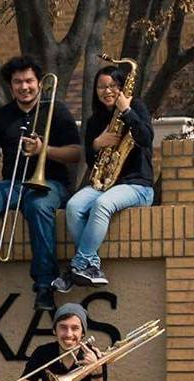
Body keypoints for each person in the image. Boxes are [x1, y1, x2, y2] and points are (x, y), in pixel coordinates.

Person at [0, 56, 83, 312]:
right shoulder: (0, 117)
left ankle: (45, 285)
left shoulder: (57, 111)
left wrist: (44, 150)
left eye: (29, 81)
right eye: (18, 82)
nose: (24, 87)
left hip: (51, 184)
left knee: (38, 207)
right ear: (10, 86)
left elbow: (76, 152)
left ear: (39, 82)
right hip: (12, 183)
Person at [56, 64, 155, 290]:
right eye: (102, 87)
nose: (107, 91)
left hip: (137, 186)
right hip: (106, 183)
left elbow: (146, 138)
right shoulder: (95, 121)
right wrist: (96, 144)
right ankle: (90, 265)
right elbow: (93, 163)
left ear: (122, 88)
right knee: (73, 206)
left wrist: (127, 112)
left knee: (101, 205)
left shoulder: (136, 106)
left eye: (113, 86)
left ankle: (78, 266)